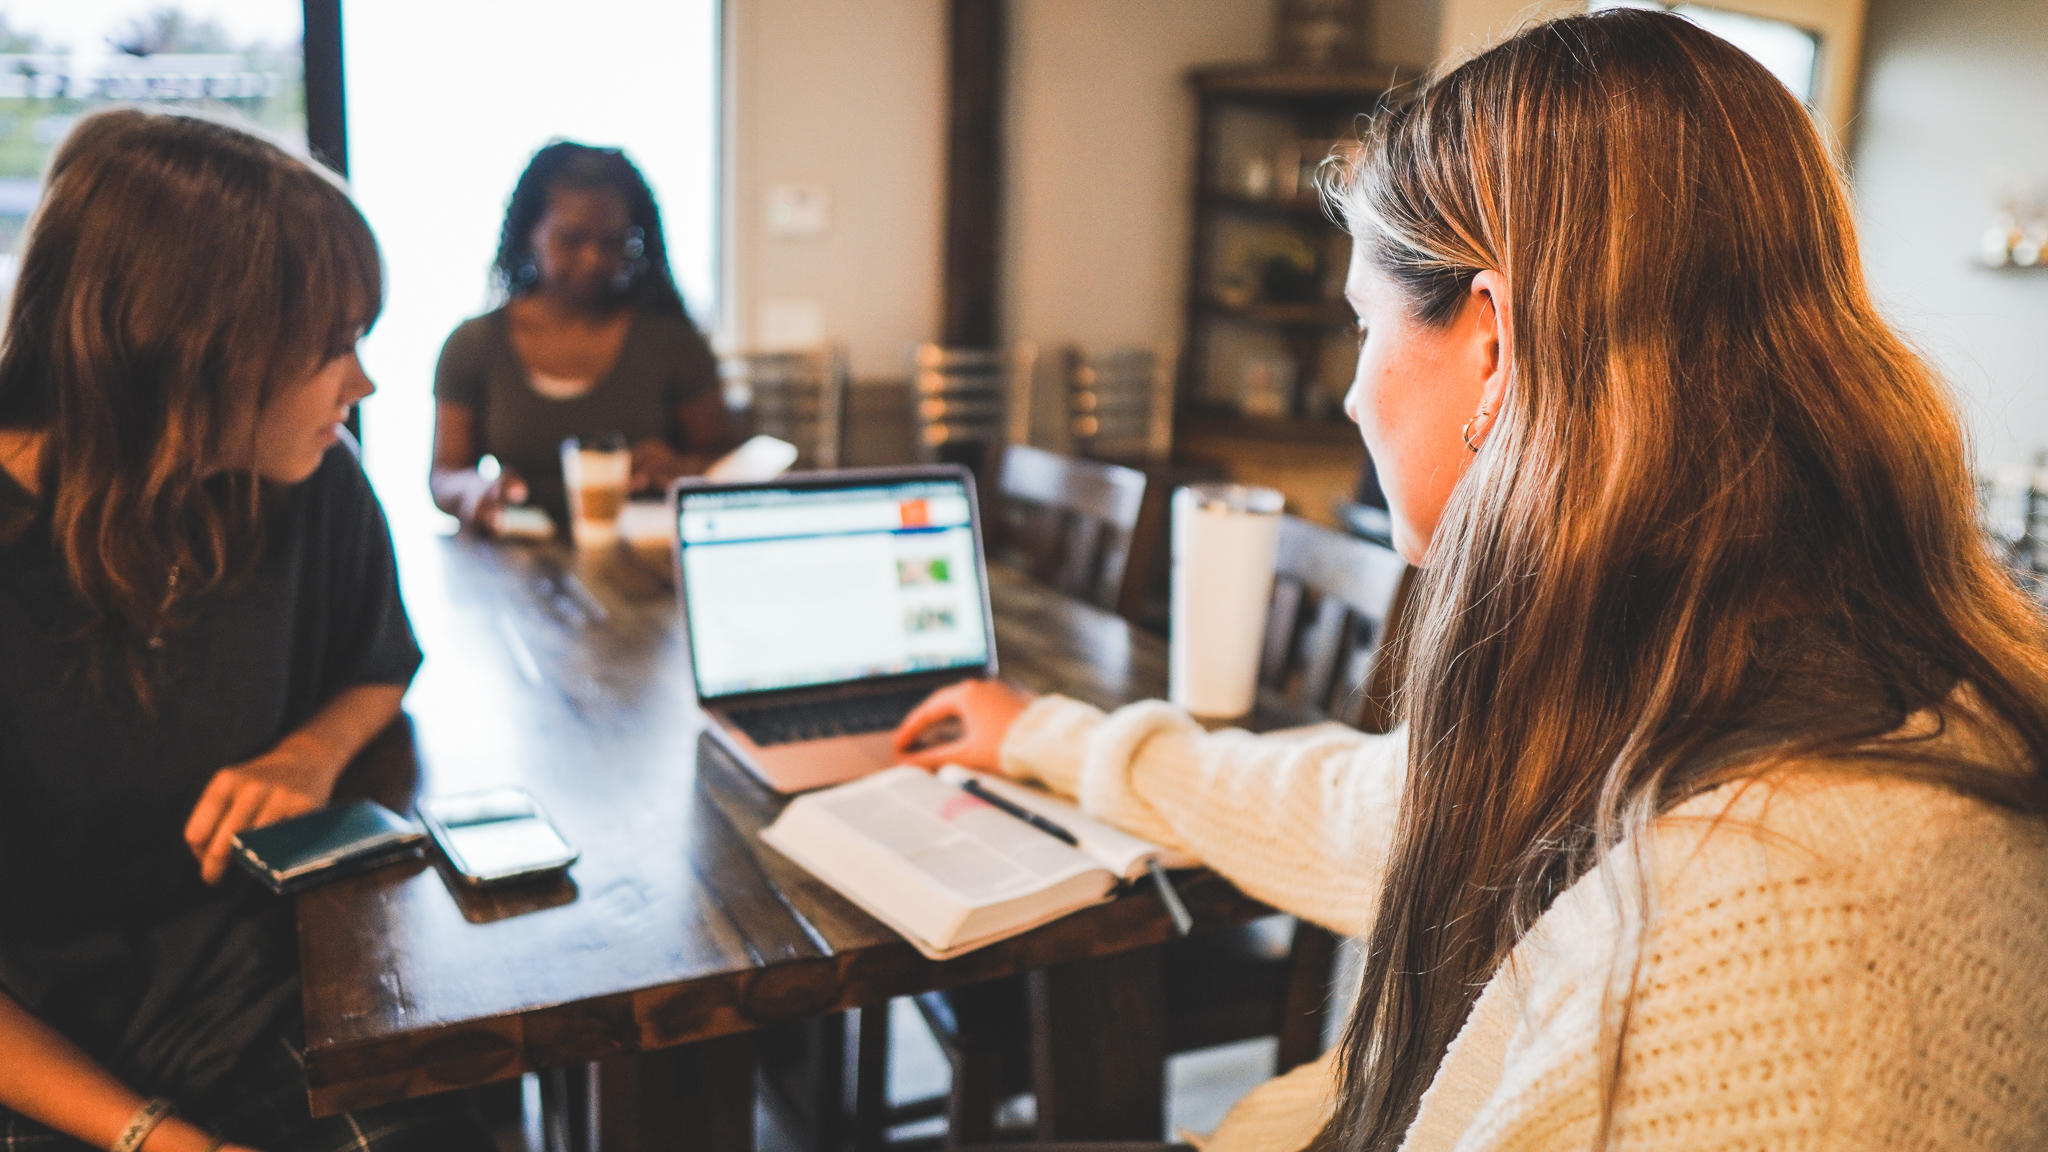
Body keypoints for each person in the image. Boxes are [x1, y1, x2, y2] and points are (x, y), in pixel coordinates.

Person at [895, 10, 2048, 1150]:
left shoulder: (1769, 924)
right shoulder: (1699, 672)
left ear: (1489, 344)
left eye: (1362, 326)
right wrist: (1045, 737)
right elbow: (1374, 809)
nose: (1351, 396)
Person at [0, 109, 492, 1151]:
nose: (361, 382)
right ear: (193, 359)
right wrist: (159, 1139)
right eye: (331, 348)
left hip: (252, 996)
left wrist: (311, 752)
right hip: (45, 1061)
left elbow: (379, 662)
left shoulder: (306, 484)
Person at [431, 141, 734, 533]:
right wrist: (475, 490)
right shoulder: (474, 345)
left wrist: (680, 467)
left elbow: (724, 463)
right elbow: (445, 474)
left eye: (612, 243)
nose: (592, 259)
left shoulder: (672, 342)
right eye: (571, 240)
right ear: (529, 234)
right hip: (515, 564)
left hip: (643, 563)